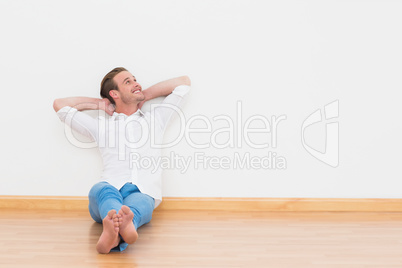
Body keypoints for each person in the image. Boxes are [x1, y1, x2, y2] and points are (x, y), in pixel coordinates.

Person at [53, 67, 191, 253]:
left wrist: (143, 95)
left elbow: (183, 82)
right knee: (102, 191)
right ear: (114, 94)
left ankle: (115, 235)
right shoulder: (100, 126)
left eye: (135, 80)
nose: (136, 83)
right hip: (109, 188)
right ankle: (119, 225)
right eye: (128, 82)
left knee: (138, 206)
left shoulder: (156, 119)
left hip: (142, 191)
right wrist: (100, 104)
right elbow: (60, 105)